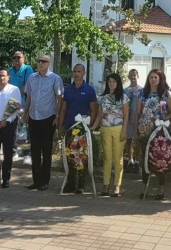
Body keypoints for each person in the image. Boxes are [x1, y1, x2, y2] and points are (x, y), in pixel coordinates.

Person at [24, 55, 64, 191]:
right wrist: (25, 113)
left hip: (48, 118)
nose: (40, 63)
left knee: (46, 151)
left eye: (43, 61)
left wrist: (57, 116)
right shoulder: (31, 78)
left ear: (49, 63)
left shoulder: (55, 78)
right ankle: (36, 180)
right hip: (33, 117)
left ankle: (45, 181)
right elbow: (29, 96)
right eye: (39, 61)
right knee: (34, 151)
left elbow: (59, 98)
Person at [137, 68, 171, 200]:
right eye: (151, 77)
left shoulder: (166, 94)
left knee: (160, 158)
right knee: (145, 159)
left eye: (156, 77)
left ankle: (160, 189)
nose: (153, 79)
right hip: (145, 129)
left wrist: (163, 119)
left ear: (160, 79)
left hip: (160, 130)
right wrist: (137, 128)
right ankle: (144, 188)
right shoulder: (142, 93)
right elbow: (138, 113)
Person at [60, 64, 98, 194]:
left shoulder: (89, 90)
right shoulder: (68, 89)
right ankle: (70, 183)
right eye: (75, 71)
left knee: (83, 155)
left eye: (79, 71)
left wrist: (90, 126)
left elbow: (93, 110)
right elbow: (64, 108)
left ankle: (81, 184)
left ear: (84, 73)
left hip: (83, 129)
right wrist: (60, 125)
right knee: (69, 155)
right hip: (70, 127)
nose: (76, 74)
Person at [91, 73, 129, 197]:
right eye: (109, 81)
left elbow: (126, 115)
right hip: (105, 129)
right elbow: (99, 115)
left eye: (114, 81)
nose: (111, 84)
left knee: (118, 158)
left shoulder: (123, 97)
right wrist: (93, 126)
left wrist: (124, 130)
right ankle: (105, 184)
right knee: (107, 158)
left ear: (118, 83)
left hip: (118, 129)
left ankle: (117, 185)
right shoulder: (102, 98)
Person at [9, 52, 34, 165]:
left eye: (18, 57)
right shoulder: (9, 70)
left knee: (23, 131)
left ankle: (27, 154)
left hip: (23, 104)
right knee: (11, 129)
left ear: (23, 58)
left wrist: (14, 91)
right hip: (10, 104)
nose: (16, 59)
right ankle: (14, 152)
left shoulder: (27, 69)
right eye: (14, 57)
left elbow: (28, 86)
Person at [124, 69, 143, 174]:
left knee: (137, 141)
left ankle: (137, 161)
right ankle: (130, 160)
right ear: (128, 77)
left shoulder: (142, 90)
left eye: (134, 75)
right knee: (128, 140)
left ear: (138, 76)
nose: (133, 77)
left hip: (138, 119)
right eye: (131, 75)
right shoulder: (125, 90)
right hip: (128, 118)